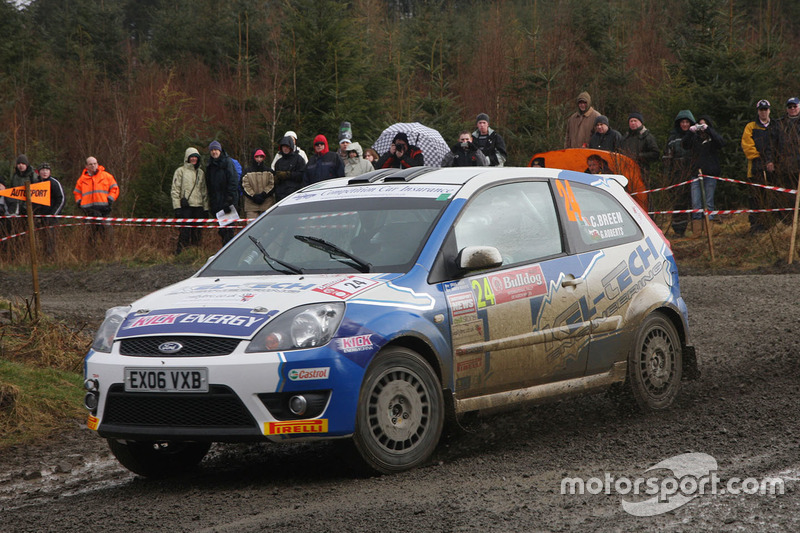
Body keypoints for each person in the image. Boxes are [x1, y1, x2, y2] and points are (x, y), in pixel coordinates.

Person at [742, 99, 783, 232]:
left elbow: (780, 144)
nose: (763, 112)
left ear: (769, 110)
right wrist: (760, 158)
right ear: (758, 111)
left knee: (773, 197)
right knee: (756, 198)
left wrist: (774, 161)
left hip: (774, 167)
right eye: (761, 110)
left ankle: (772, 224)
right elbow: (747, 145)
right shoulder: (751, 126)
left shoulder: (776, 125)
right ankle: (756, 226)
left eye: (766, 109)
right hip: (756, 168)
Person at [683, 115, 725, 232]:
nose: (701, 127)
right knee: (696, 202)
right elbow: (684, 145)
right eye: (699, 125)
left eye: (703, 125)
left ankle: (708, 229)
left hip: (710, 174)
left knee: (709, 202)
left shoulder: (712, 139)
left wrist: (709, 130)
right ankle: (697, 230)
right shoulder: (694, 139)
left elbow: (721, 143)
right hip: (696, 173)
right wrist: (690, 132)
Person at [664, 110, 697, 237]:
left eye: (687, 122)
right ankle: (679, 230)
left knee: (695, 202)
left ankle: (697, 229)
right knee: (679, 203)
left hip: (693, 173)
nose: (684, 124)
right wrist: (668, 177)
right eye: (682, 122)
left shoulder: (696, 136)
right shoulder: (673, 138)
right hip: (677, 175)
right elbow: (667, 158)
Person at [171, 147, 208, 254]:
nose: (193, 159)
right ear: (187, 158)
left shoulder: (201, 173)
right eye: (191, 157)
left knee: (197, 232)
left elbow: (204, 191)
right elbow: (175, 190)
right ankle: (181, 252)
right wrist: (177, 207)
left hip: (199, 206)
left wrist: (206, 208)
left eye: (195, 157)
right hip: (185, 207)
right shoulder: (180, 171)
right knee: (184, 231)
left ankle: (195, 253)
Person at [73, 156, 120, 241]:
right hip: (88, 212)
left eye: (94, 164)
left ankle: (109, 253)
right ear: (86, 166)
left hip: (104, 211)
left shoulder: (106, 176)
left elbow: (115, 188)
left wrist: (110, 199)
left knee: (107, 236)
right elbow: (77, 192)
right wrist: (79, 202)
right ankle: (91, 254)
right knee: (89, 238)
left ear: (97, 164)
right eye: (90, 164)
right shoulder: (82, 179)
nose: (93, 166)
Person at [26, 162, 65, 257]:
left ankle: (51, 258)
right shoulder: (36, 184)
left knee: (51, 239)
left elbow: (61, 199)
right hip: (39, 217)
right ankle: (41, 257)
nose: (45, 172)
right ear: (38, 172)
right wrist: (35, 214)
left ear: (50, 172)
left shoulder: (54, 183)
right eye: (42, 170)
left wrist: (53, 214)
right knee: (40, 238)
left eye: (47, 170)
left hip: (51, 216)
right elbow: (33, 201)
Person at [205, 140, 239, 247]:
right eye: (212, 150)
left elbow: (233, 181)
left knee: (229, 230)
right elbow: (209, 185)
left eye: (216, 150)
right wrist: (212, 202)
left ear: (220, 150)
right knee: (222, 230)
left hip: (228, 201)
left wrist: (230, 200)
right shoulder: (210, 165)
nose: (214, 152)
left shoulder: (227, 162)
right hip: (217, 202)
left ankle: (230, 251)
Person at [619, 112, 660, 179]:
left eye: (635, 121)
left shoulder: (647, 136)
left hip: (642, 171)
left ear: (641, 122)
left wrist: (639, 156)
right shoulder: (625, 137)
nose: (633, 123)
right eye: (631, 121)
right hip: (625, 171)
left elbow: (655, 154)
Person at [241, 149, 275, 219]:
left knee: (267, 226)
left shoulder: (269, 171)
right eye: (257, 157)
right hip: (251, 205)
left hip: (267, 204)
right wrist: (253, 196)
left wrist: (264, 195)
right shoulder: (246, 172)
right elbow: (245, 186)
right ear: (253, 157)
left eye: (261, 157)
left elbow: (272, 184)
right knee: (251, 226)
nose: (259, 159)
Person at [273, 134, 307, 201]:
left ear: (291, 147)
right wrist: (276, 178)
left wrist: (288, 174)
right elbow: (276, 178)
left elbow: (302, 175)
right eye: (283, 147)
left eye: (287, 146)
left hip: (295, 194)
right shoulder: (278, 162)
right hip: (281, 195)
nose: (285, 148)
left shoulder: (298, 159)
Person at [777, 97, 800, 191]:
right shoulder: (780, 123)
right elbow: (774, 143)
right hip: (785, 166)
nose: (792, 109)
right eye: (790, 107)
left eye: (795, 106)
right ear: (787, 109)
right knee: (788, 193)